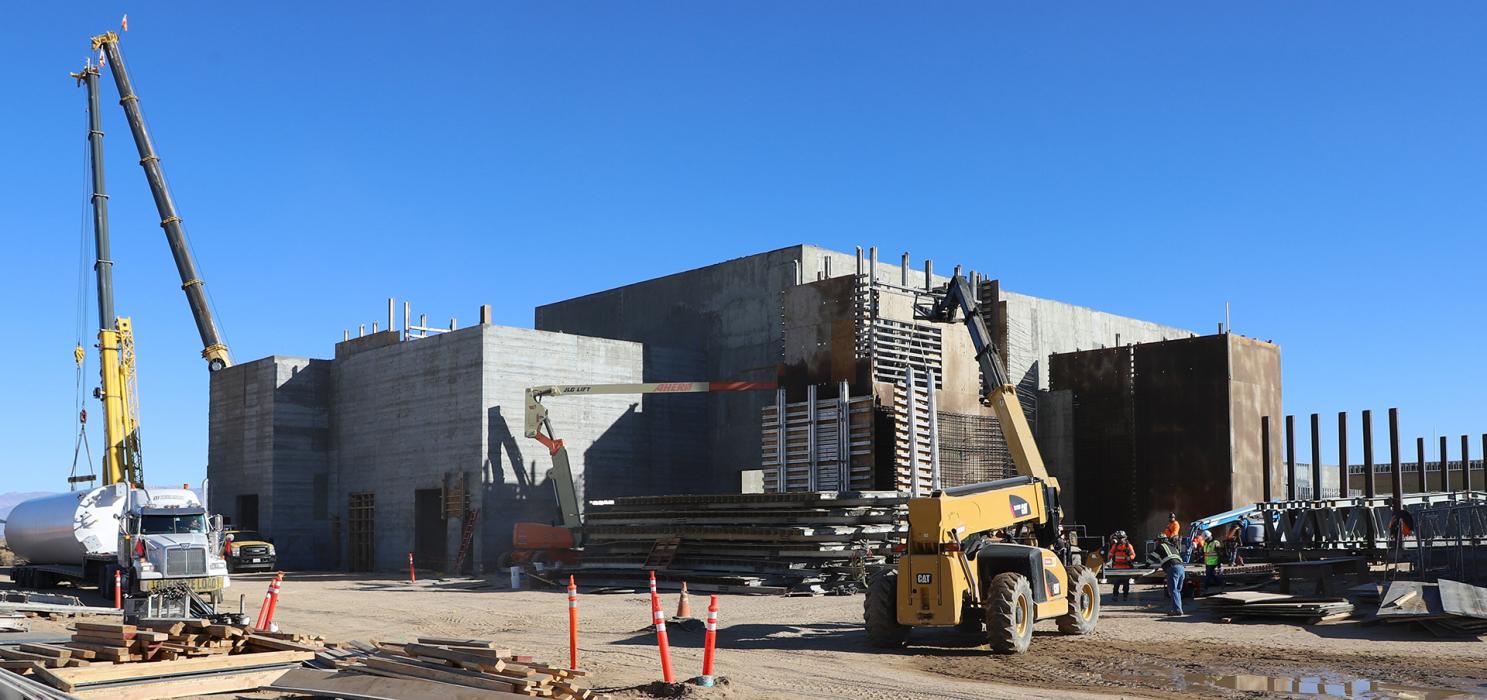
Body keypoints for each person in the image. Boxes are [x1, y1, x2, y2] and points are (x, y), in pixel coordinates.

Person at [1150, 535, 1185, 616]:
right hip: (1181, 568)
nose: (1156, 543)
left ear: (1160, 541)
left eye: (1157, 541)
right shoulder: (1173, 547)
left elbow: (1152, 558)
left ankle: (1177, 610)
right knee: (1177, 590)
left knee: (1173, 590)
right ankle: (1179, 609)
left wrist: (1145, 565)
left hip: (1172, 569)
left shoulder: (1161, 546)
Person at [1105, 530, 1137, 600]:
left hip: (1126, 567)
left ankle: (1125, 596)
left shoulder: (1128, 546)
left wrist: (1129, 557)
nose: (1120, 539)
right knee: (1116, 583)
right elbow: (1110, 554)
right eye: (1119, 538)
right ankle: (1115, 596)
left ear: (1125, 538)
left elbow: (1133, 555)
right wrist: (1105, 560)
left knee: (1126, 584)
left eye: (1121, 538)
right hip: (1116, 567)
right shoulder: (1115, 546)